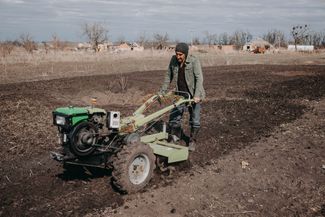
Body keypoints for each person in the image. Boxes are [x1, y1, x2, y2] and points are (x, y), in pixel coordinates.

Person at [160, 42, 205, 151]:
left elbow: (199, 79)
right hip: (180, 95)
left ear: (185, 53)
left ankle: (192, 140)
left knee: (195, 120)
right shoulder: (173, 60)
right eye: (176, 54)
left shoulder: (194, 61)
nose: (178, 56)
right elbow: (168, 76)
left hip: (193, 94)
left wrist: (197, 96)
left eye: (180, 54)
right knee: (174, 118)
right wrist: (162, 91)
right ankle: (175, 136)